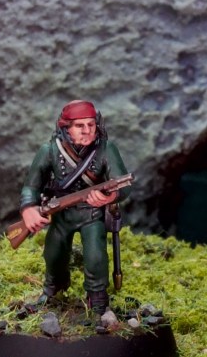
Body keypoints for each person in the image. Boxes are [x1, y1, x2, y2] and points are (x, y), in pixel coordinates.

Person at [20, 100, 130, 313]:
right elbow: (31, 186)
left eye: (91, 124)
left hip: (92, 214)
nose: (87, 130)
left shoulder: (106, 149)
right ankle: (54, 290)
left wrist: (109, 197)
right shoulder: (49, 151)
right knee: (53, 254)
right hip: (60, 214)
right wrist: (28, 209)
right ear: (66, 128)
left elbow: (123, 187)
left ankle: (97, 297)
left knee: (96, 257)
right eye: (80, 125)